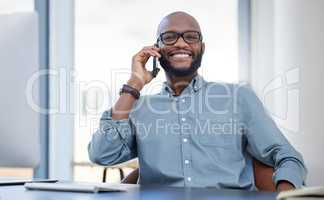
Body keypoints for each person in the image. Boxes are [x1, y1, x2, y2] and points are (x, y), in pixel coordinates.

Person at [88, 11, 306, 191]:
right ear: (156, 50)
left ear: (202, 47)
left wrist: (283, 195)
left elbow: (288, 157)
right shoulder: (140, 108)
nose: (181, 43)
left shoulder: (239, 97)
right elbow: (102, 154)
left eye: (191, 37)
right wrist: (134, 84)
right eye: (170, 37)